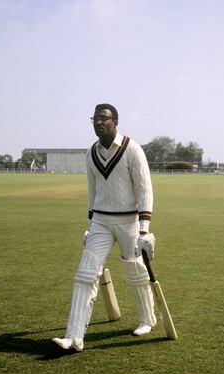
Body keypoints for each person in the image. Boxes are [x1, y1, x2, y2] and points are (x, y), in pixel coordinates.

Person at [52, 103, 157, 352]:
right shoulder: (91, 153)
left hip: (128, 221)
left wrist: (144, 229)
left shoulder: (132, 150)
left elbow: (145, 190)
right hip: (100, 221)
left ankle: (147, 320)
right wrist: (89, 225)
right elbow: (93, 191)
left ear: (115, 122)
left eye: (104, 118)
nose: (99, 122)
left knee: (134, 271)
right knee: (85, 274)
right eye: (95, 118)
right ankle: (74, 337)